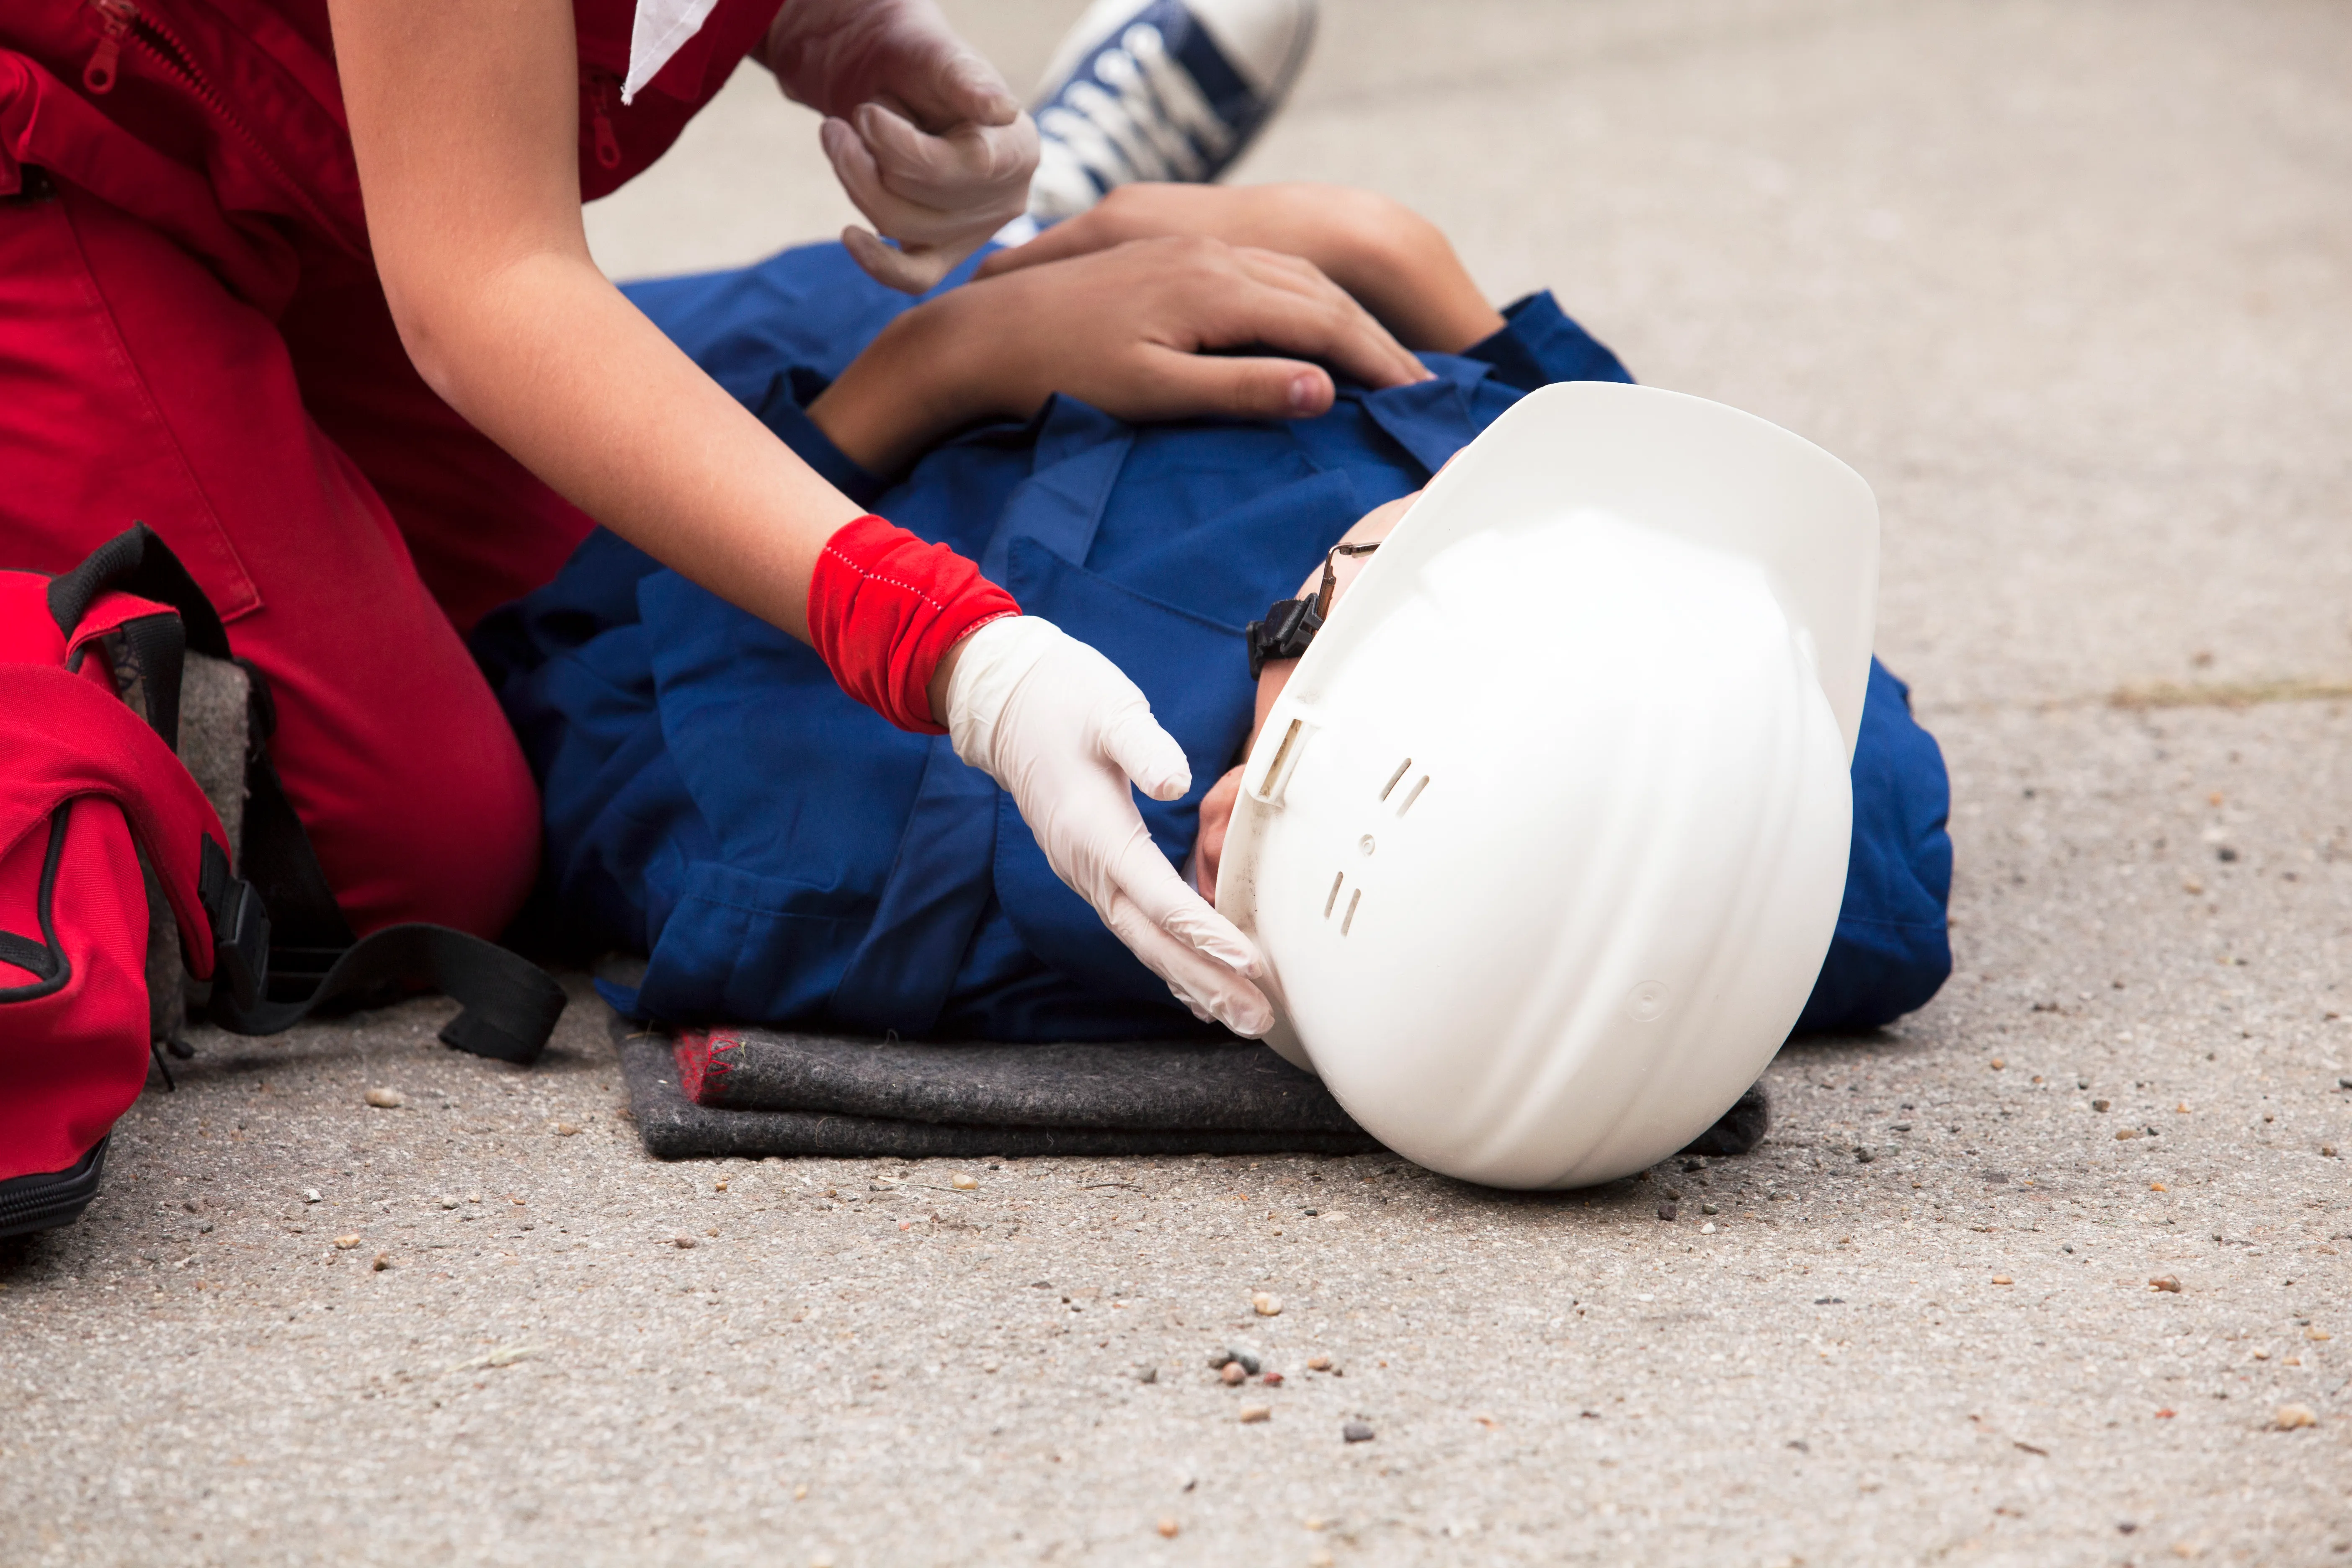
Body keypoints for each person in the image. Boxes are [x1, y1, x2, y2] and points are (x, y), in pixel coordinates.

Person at [0, 0, 1357, 1039]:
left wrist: (813, 23)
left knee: (608, 587)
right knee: (415, 845)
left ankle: (999, 269)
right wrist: (960, 654)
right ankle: (967, 291)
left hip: (329, 171)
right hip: (72, 174)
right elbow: (488, 289)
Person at [478, 183, 1957, 1042]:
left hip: (831, 397)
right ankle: (1113, 193)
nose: (1438, 506)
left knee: (465, 348)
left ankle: (1059, 192)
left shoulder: (838, 866)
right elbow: (1651, 493)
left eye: (1350, 603)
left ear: (1244, 806)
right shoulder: (1826, 834)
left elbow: (568, 628)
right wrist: (1397, 262)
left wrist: (933, 364)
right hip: (1230, 295)